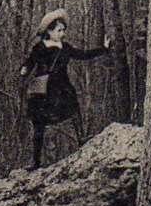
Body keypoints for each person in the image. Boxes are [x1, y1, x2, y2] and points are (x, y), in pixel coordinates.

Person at [19, 9, 109, 168]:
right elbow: (30, 62)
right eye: (59, 30)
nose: (62, 34)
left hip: (61, 87)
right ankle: (35, 161)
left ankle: (82, 137)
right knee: (38, 124)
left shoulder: (65, 48)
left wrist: (103, 48)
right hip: (43, 89)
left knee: (74, 111)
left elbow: (83, 55)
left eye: (63, 30)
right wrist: (24, 69)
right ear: (49, 31)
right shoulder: (39, 48)